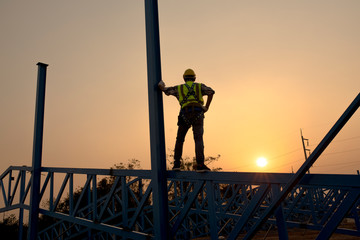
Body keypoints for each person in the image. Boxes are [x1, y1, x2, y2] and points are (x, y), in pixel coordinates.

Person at [158, 69, 215, 172]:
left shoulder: (179, 88)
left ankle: (176, 164)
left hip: (184, 115)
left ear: (184, 78)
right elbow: (211, 92)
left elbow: (166, 90)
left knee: (180, 139)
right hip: (198, 114)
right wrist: (206, 107)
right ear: (194, 78)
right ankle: (200, 165)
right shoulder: (199, 86)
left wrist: (161, 86)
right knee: (198, 139)